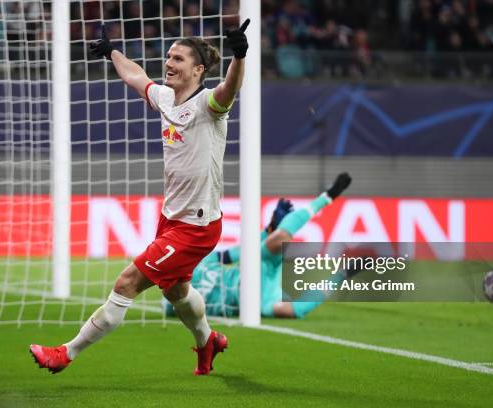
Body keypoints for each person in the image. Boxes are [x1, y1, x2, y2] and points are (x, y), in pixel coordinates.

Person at [30, 19, 251, 376]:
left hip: (195, 226)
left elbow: (229, 88)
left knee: (127, 283)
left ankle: (65, 353)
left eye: (178, 59)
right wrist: (112, 53)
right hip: (172, 218)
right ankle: (208, 341)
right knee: (176, 292)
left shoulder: (208, 106)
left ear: (197, 69)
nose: (169, 63)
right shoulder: (165, 98)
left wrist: (239, 55)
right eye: (168, 56)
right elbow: (135, 76)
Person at [163, 172, 353, 319]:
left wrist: (267, 231)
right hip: (252, 301)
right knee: (288, 311)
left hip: (255, 269)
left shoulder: (201, 260)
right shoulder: (172, 300)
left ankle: (327, 196)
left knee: (278, 239)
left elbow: (240, 252)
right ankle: (342, 274)